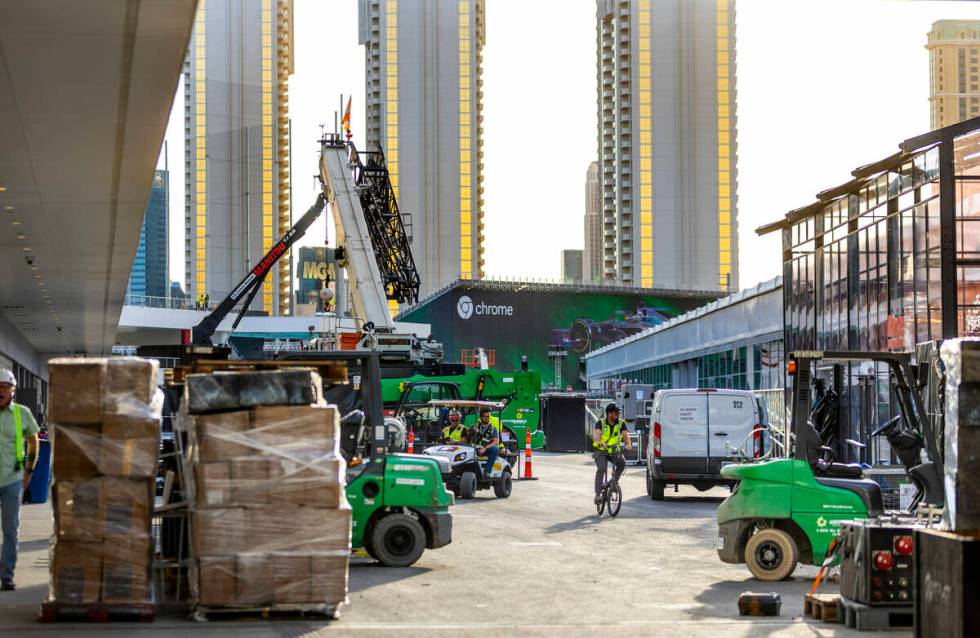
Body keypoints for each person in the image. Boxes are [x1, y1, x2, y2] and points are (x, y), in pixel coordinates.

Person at [0, 369, 39, 591]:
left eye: (5, 387)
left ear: (12, 391)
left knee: (10, 529)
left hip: (12, 480)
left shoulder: (21, 413)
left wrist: (29, 470)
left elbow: (34, 441)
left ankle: (6, 575)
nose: (1, 391)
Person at [593, 403, 631, 504]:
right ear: (609, 414)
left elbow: (625, 435)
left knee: (622, 463)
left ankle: (613, 483)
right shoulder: (601, 423)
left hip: (614, 450)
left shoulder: (621, 423)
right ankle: (597, 495)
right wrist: (601, 442)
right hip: (600, 450)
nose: (617, 415)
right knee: (601, 468)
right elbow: (597, 435)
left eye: (617, 413)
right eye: (615, 413)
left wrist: (628, 444)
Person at [470, 406, 500, 477]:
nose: (487, 418)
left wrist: (485, 448)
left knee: (495, 449)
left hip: (486, 449)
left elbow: (496, 441)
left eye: (488, 416)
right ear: (481, 418)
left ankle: (487, 472)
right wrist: (472, 431)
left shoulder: (493, 428)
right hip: (474, 449)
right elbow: (468, 438)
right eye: (485, 416)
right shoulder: (474, 426)